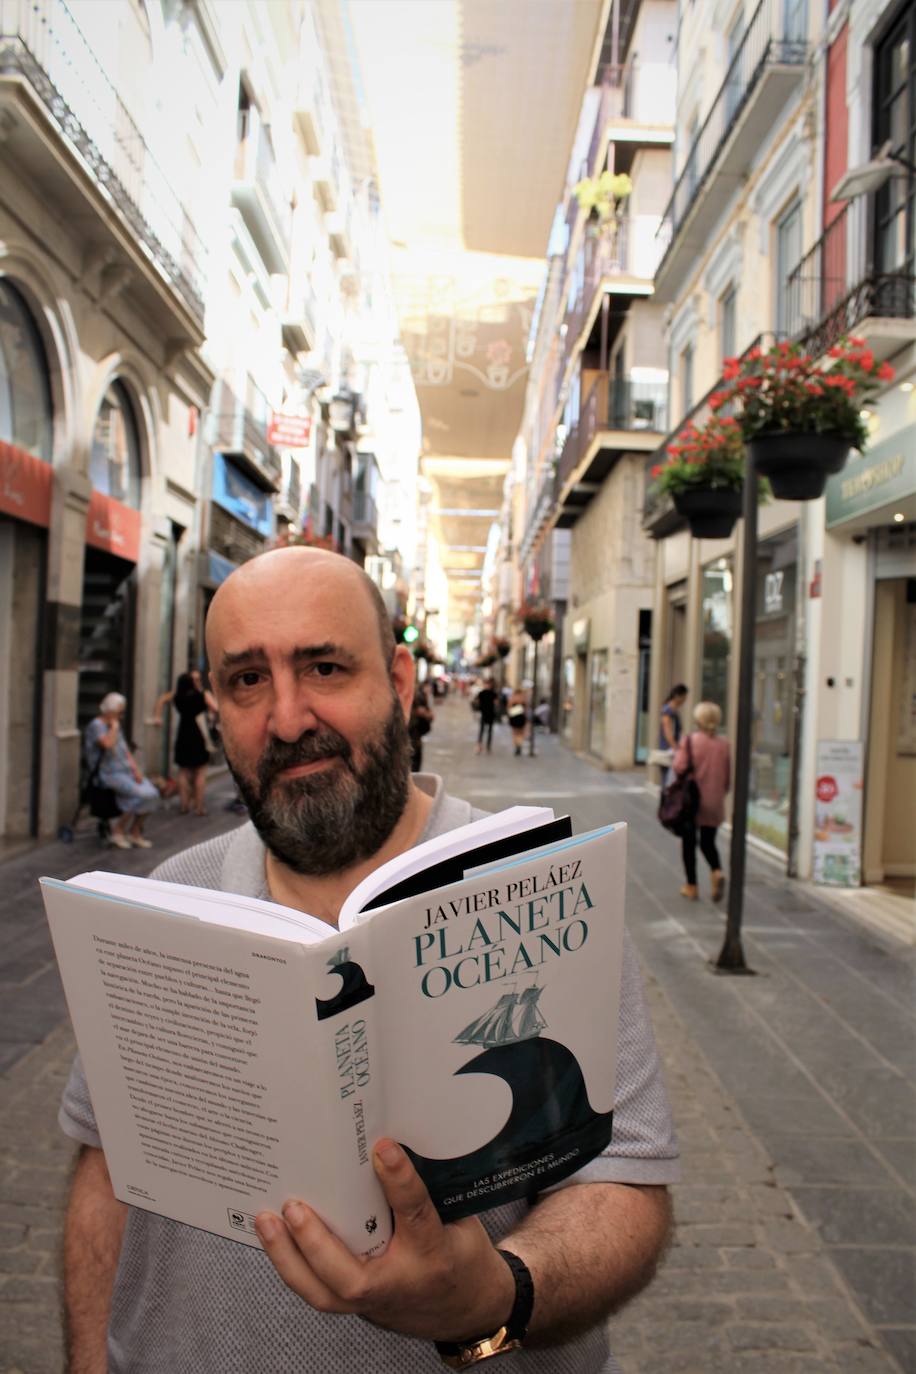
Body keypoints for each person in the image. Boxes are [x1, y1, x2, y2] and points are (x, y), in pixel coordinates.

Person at [60, 547, 678, 1374]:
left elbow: (623, 1185)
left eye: (323, 666)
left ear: (399, 678)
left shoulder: (539, 887)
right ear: (215, 704)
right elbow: (107, 1170)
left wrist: (497, 1294)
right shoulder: (170, 896)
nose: (287, 718)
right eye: (247, 681)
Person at [83, 692, 160, 850]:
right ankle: (118, 830)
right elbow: (107, 744)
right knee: (140, 796)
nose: (122, 715)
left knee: (153, 794)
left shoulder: (115, 724)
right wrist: (115, 727)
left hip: (125, 770)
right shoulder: (97, 725)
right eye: (120, 712)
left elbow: (125, 751)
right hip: (109, 773)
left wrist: (136, 769)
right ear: (109, 711)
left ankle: (135, 831)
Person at [673, 700, 730, 901]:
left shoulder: (691, 741)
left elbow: (679, 767)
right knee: (708, 842)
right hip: (715, 802)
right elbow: (728, 778)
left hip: (692, 802)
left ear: (699, 719)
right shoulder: (724, 744)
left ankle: (692, 885)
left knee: (689, 844)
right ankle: (716, 871)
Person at [153, 670, 219, 816]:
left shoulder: (177, 696)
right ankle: (199, 807)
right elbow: (216, 709)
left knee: (183, 772)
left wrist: (157, 717)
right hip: (197, 735)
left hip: (183, 734)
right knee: (200, 772)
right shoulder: (203, 695)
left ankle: (184, 805)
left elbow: (162, 700)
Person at [658, 683, 688, 784]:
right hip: (669, 750)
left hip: (672, 749)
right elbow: (668, 733)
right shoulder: (668, 711)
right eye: (684, 697)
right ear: (677, 696)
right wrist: (676, 750)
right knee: (667, 782)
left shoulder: (673, 711)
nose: (685, 700)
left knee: (671, 782)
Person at [408, 680, 434, 772]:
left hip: (415, 738)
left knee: (415, 767)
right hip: (409, 738)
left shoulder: (420, 696)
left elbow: (430, 716)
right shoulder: (416, 696)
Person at [474, 674, 498, 754]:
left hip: (487, 713)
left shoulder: (482, 693)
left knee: (485, 730)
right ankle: (484, 745)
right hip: (486, 713)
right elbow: (496, 703)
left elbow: (477, 702)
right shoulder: (491, 693)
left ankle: (484, 745)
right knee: (485, 730)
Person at [507, 685, 528, 756]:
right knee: (521, 733)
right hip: (521, 716)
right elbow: (526, 708)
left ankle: (516, 746)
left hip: (514, 716)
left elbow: (509, 707)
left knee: (515, 733)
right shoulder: (523, 698)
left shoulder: (512, 698)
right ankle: (519, 746)